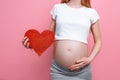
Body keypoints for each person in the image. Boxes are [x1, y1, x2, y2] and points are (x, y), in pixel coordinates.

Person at [22, 0, 102, 80]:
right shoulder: (58, 8)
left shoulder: (91, 13)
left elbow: (98, 41)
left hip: (82, 72)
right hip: (58, 71)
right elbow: (48, 38)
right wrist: (32, 44)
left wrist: (90, 59)